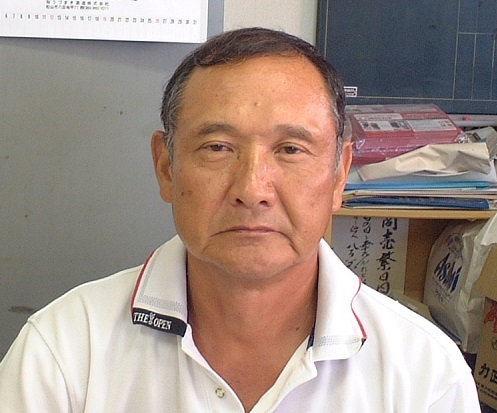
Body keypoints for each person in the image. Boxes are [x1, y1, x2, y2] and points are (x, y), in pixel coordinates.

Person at [0, 27, 481, 413]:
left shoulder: (425, 374)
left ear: (339, 175)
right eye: (217, 148)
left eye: (290, 149)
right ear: (166, 168)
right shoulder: (62, 350)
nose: (252, 190)